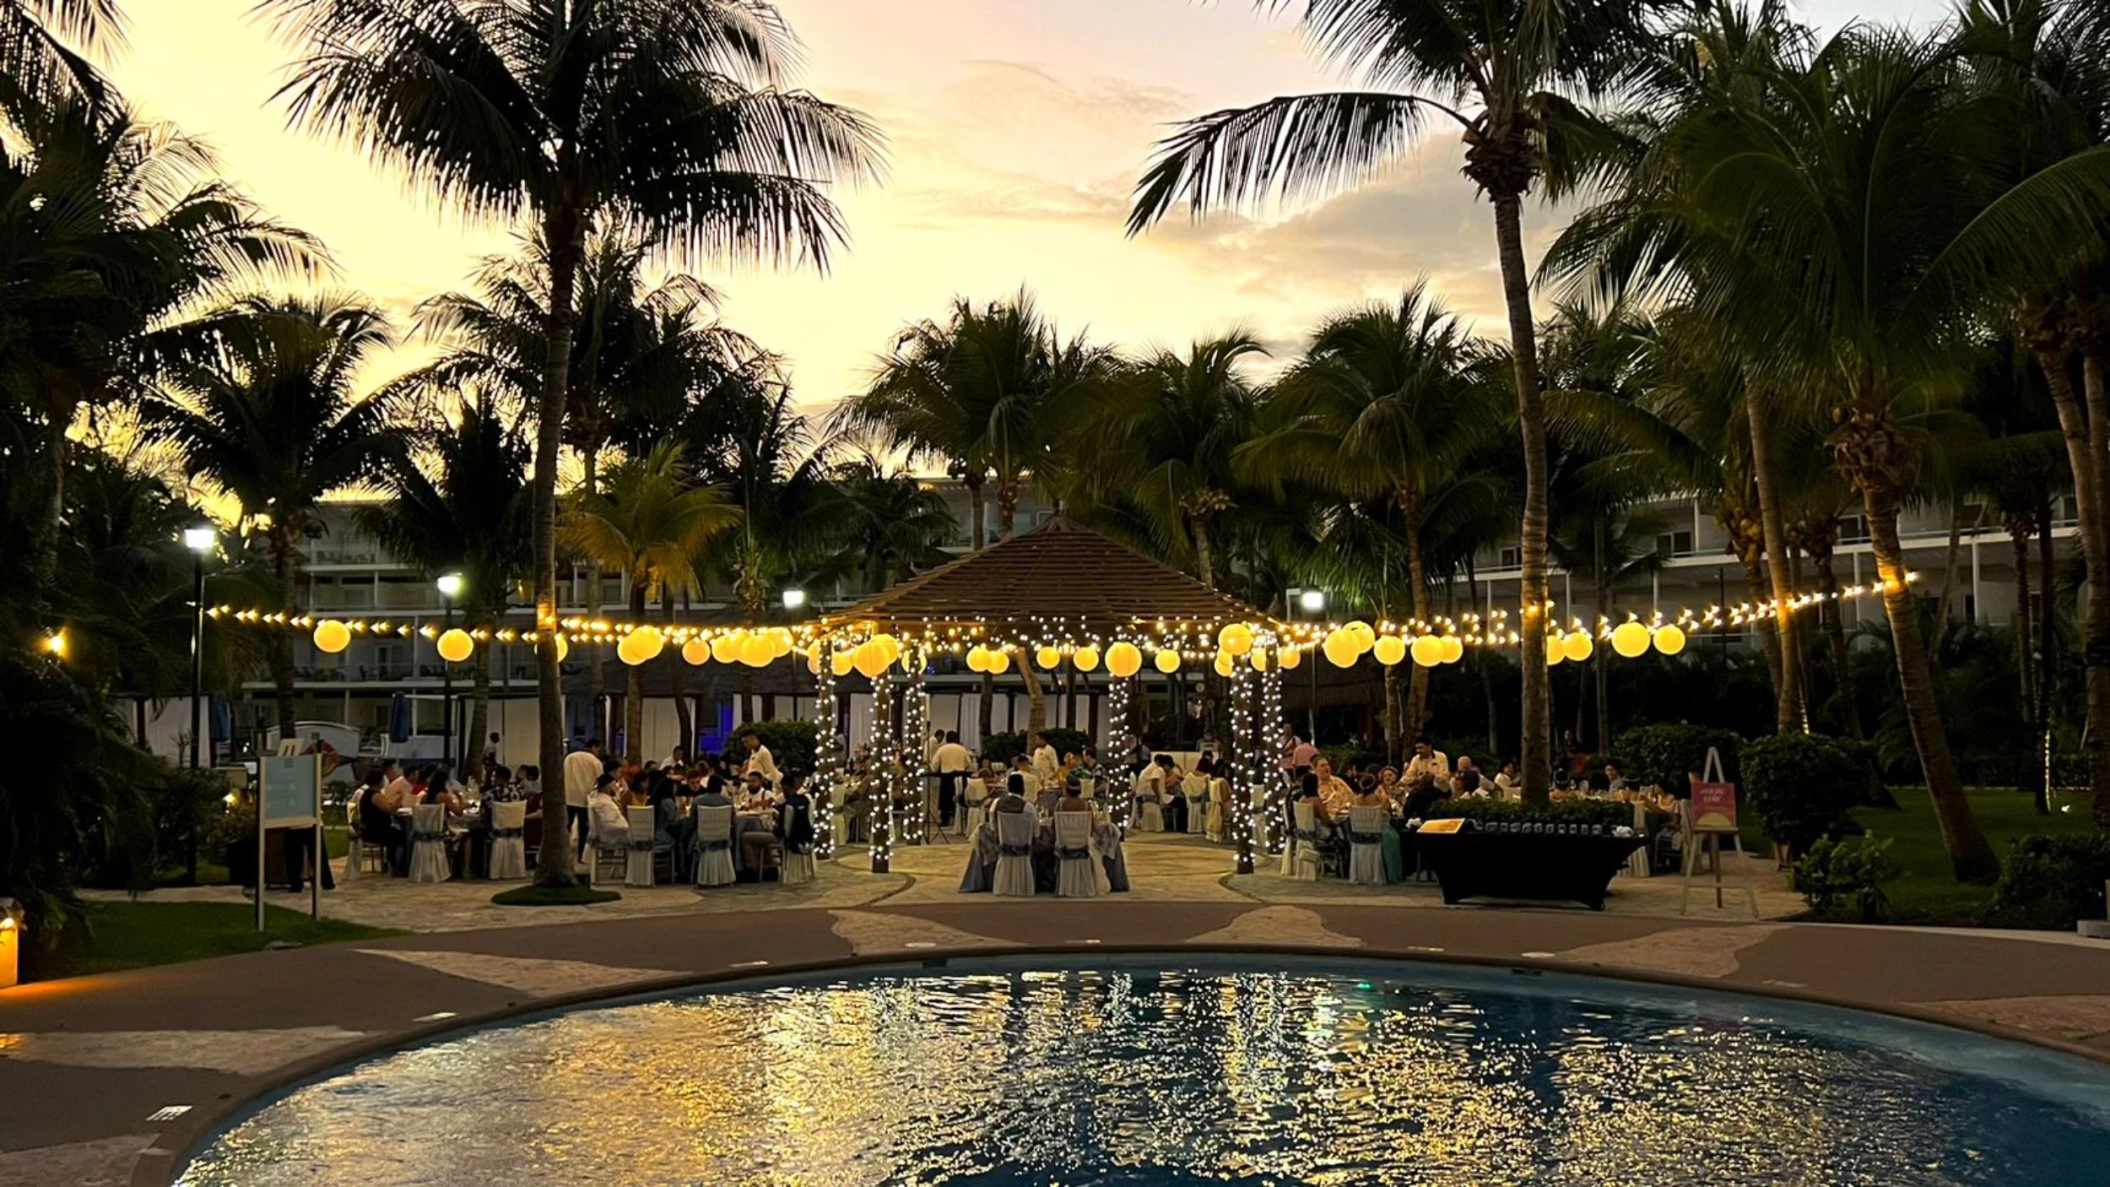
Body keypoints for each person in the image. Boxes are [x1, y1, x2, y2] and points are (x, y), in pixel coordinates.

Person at [1347, 775, 1405, 882]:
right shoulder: (1381, 800)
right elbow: (1389, 813)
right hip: (1378, 833)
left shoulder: (1355, 801)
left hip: (1358, 836)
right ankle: (1392, 874)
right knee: (1395, 838)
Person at [355, 768, 400, 875]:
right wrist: (398, 801)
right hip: (376, 831)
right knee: (400, 837)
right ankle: (395, 864)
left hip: (371, 829)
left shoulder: (367, 794)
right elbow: (389, 810)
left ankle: (393, 864)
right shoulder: (375, 796)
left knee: (396, 834)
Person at [563, 740, 603, 860]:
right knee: (583, 829)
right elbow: (599, 780)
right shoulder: (595, 761)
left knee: (566, 827)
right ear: (594, 747)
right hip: (586, 799)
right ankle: (582, 855)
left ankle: (563, 854)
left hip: (568, 797)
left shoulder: (569, 758)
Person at [932, 729, 974, 827]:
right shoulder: (962, 749)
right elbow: (968, 763)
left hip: (946, 776)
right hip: (960, 776)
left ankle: (945, 820)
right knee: (959, 797)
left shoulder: (942, 749)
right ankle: (959, 819)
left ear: (946, 739)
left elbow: (935, 763)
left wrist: (937, 770)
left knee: (945, 799)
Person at [586, 773, 629, 851]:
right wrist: (627, 827)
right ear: (607, 787)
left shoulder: (599, 799)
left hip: (605, 832)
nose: (616, 788)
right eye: (614, 785)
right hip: (610, 836)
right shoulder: (605, 803)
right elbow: (608, 824)